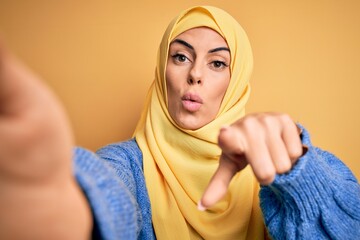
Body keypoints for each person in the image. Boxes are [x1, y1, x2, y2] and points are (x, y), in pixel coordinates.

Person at [0, 5, 359, 240]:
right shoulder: (127, 164)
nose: (195, 75)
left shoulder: (274, 165)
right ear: (162, 70)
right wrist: (58, 207)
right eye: (181, 56)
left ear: (236, 82)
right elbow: (107, 191)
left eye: (217, 63)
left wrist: (299, 174)